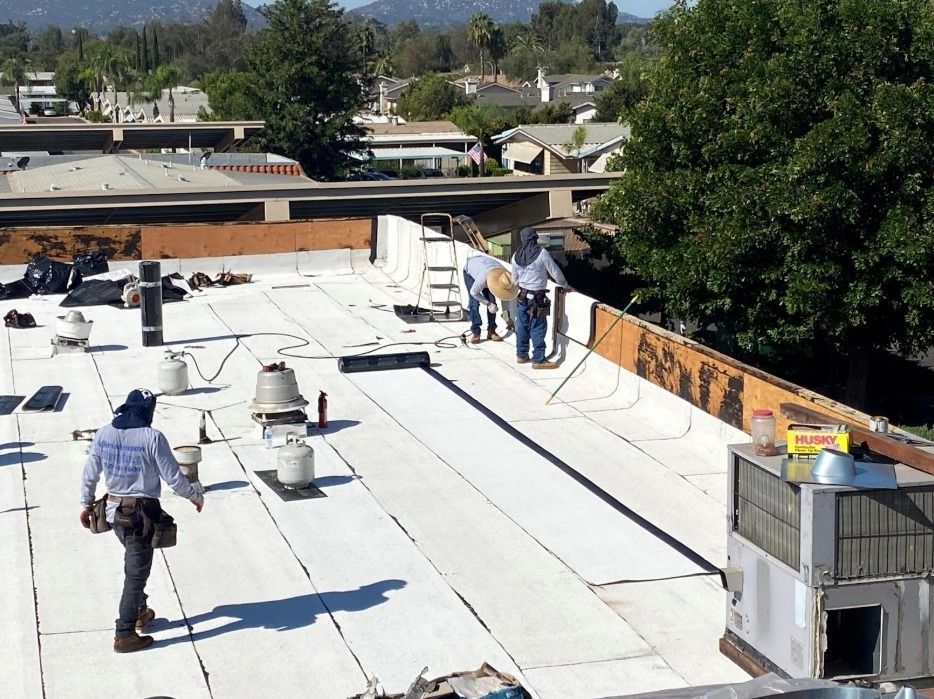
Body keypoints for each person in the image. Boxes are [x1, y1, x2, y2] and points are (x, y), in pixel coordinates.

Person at [79, 389, 204, 653]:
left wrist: (85, 504)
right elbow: (173, 478)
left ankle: (140, 612)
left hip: (113, 512)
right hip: (140, 516)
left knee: (135, 562)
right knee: (135, 574)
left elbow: (90, 472)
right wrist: (194, 496)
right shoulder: (152, 437)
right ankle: (125, 633)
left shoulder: (104, 433)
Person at [510, 227, 573, 369]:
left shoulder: (515, 256)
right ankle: (538, 359)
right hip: (537, 298)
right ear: (534, 238)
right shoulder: (541, 253)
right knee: (538, 327)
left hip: (522, 296)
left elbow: (514, 280)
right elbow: (555, 273)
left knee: (522, 326)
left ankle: (522, 355)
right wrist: (565, 285)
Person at [462, 255, 518, 343]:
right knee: (474, 303)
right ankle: (476, 332)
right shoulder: (482, 278)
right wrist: (488, 304)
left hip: (485, 268)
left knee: (493, 302)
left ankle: (491, 331)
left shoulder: (505, 275)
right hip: (470, 271)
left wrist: (506, 317)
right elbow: (474, 292)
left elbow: (504, 298)